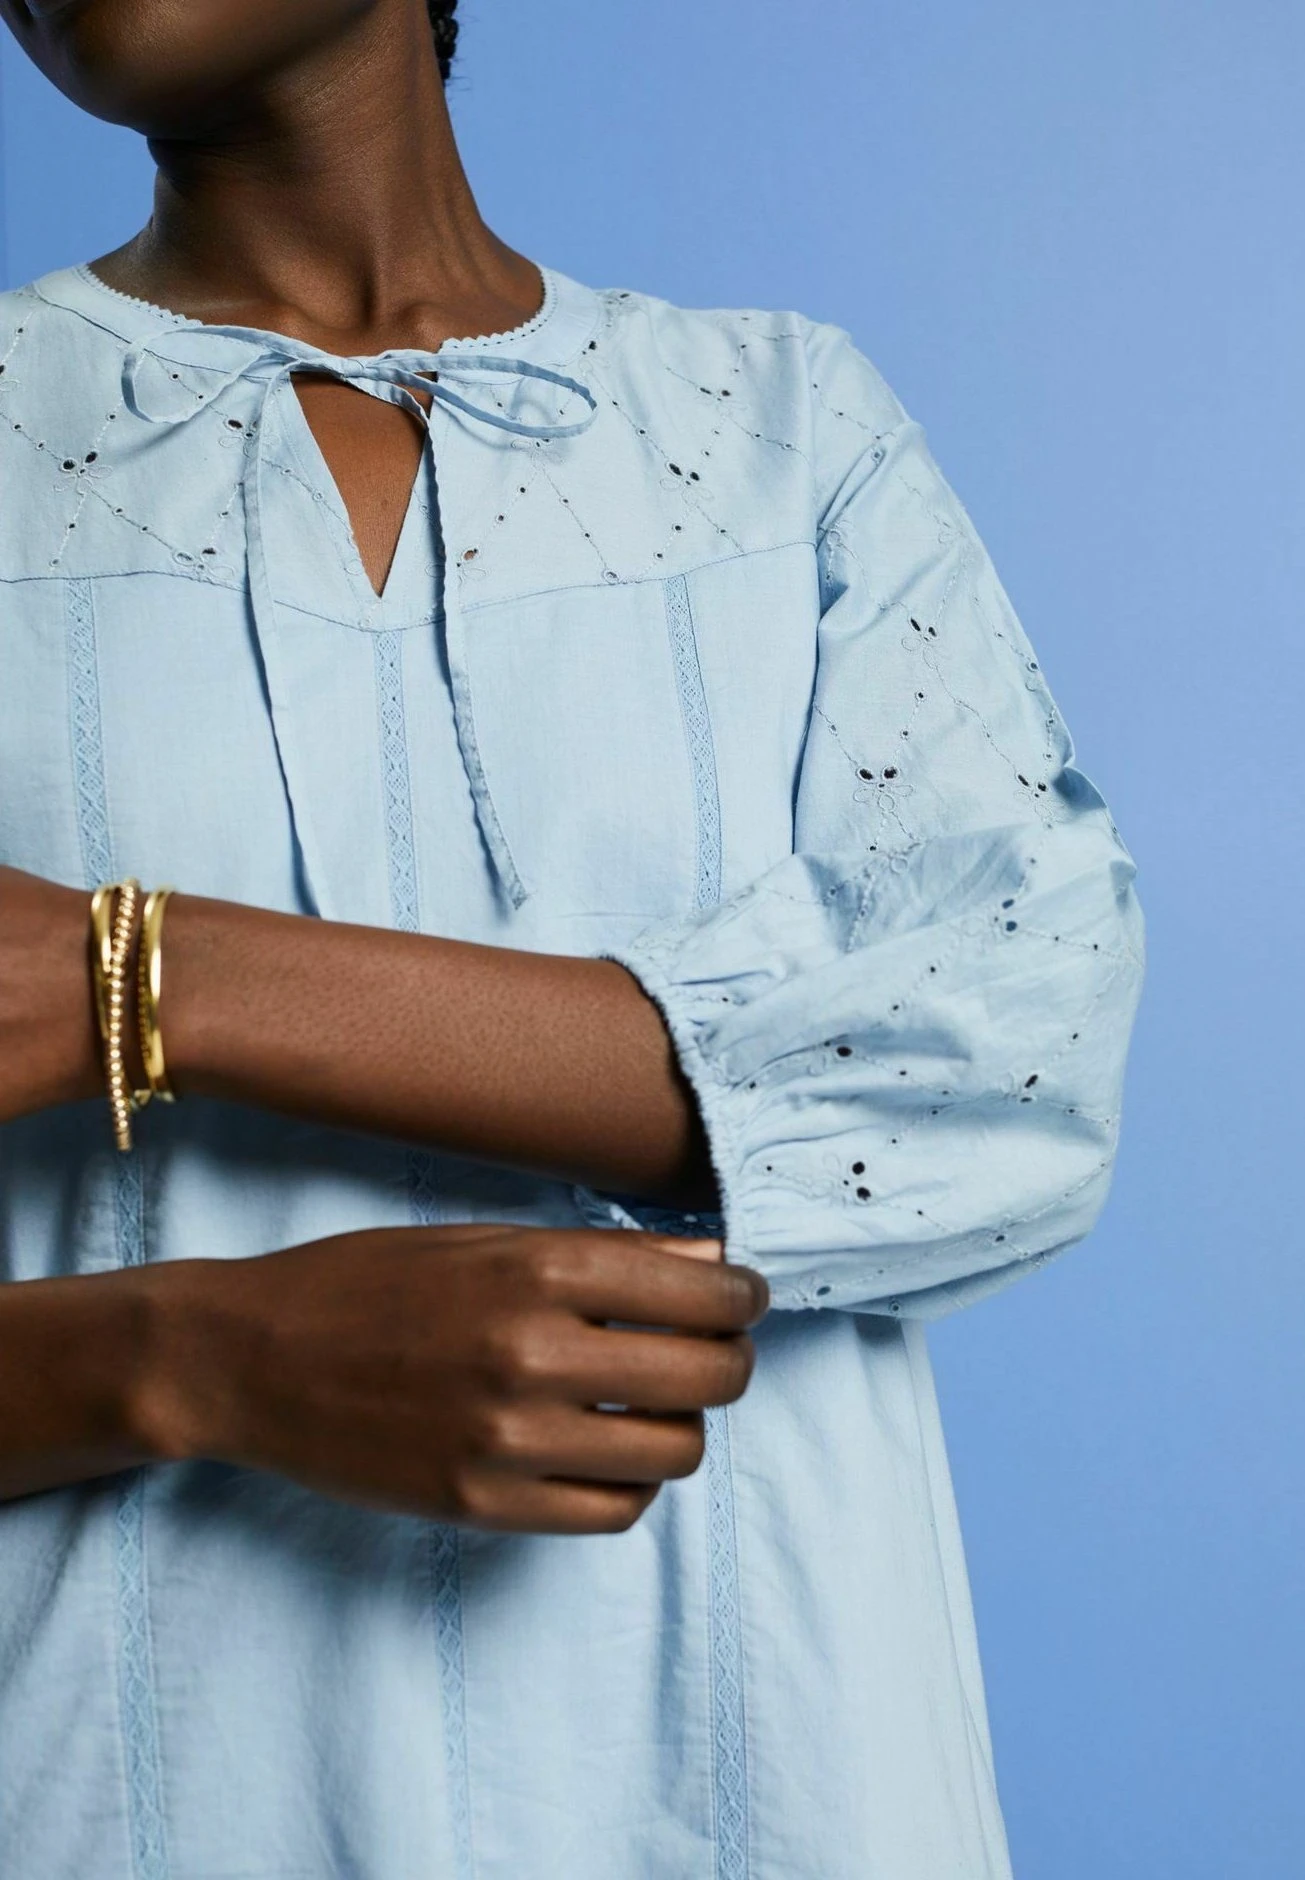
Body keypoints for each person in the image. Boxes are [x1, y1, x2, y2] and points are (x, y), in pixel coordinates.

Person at [0, 2, 1145, 1875]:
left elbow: (1010, 1062)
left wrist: (138, 981)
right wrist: (194, 1356)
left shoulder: (782, 427)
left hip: (778, 1797)